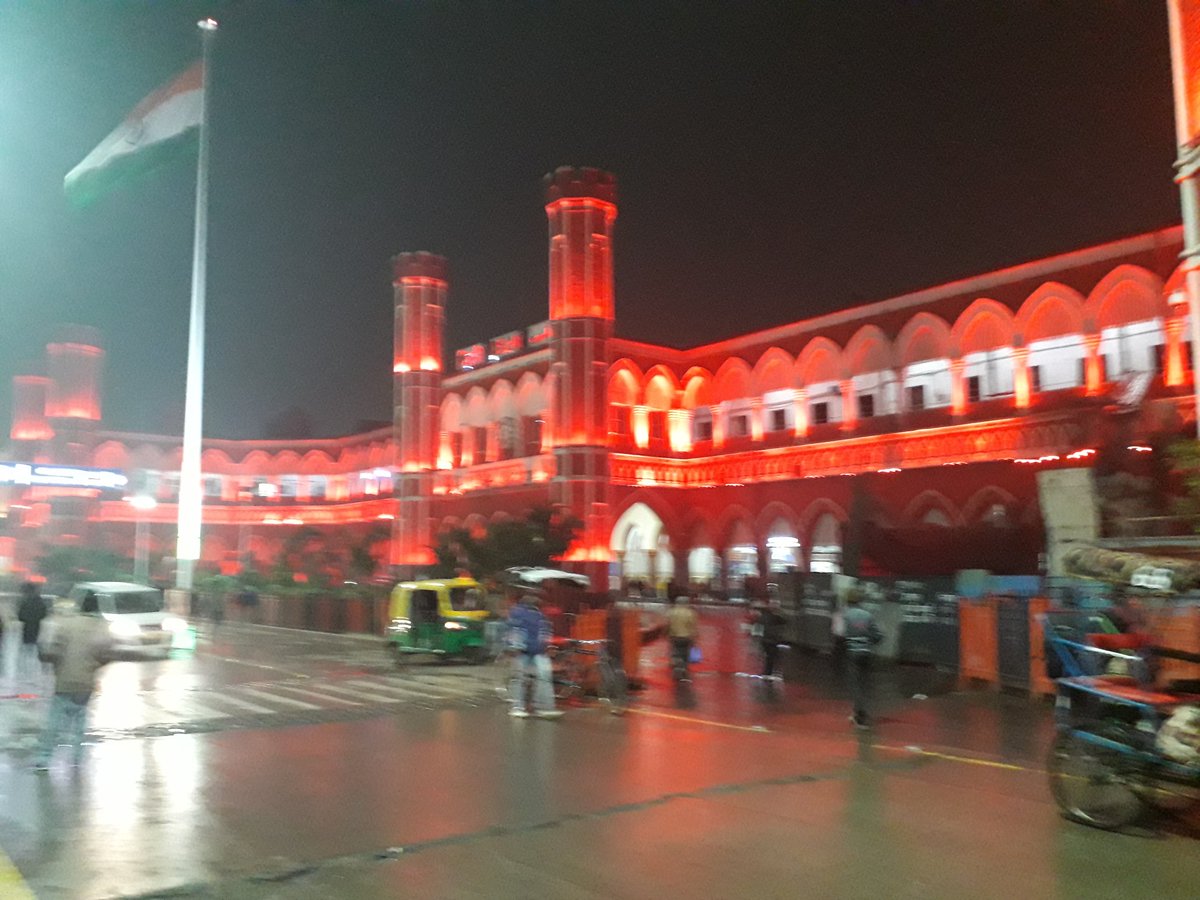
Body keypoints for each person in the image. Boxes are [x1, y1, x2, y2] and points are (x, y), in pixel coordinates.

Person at [34, 591, 114, 769]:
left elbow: (53, 651)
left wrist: (51, 663)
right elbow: (108, 653)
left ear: (81, 606)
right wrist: (93, 665)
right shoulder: (101, 627)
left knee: (53, 723)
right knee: (79, 721)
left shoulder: (68, 624)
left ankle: (44, 758)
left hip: (64, 681)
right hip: (85, 684)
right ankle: (77, 759)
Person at [506, 592, 562, 719]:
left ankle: (518, 707)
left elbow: (515, 630)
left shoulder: (518, 613)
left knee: (520, 678)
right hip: (537, 650)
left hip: (524, 650)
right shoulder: (540, 616)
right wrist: (546, 647)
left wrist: (515, 646)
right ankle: (544, 707)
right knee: (544, 678)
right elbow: (545, 632)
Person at [843, 591, 883, 729]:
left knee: (855, 686)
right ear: (859, 601)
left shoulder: (845, 615)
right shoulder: (868, 615)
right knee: (864, 685)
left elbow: (839, 634)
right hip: (866, 653)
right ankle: (857, 713)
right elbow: (878, 635)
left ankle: (860, 718)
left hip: (852, 653)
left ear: (848, 601)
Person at [17, 581, 49, 687]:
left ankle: (27, 676)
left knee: (27, 654)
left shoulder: (25, 602)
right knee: (36, 654)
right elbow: (45, 615)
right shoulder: (41, 602)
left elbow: (20, 617)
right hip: (39, 631)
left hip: (27, 632)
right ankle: (35, 676)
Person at [667, 596, 699, 681]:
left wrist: (665, 634)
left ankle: (676, 665)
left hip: (674, 636)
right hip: (686, 637)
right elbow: (693, 627)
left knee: (675, 650)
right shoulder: (690, 613)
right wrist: (695, 638)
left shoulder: (671, 612)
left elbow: (668, 624)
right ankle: (683, 669)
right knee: (685, 653)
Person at [755, 596, 786, 681]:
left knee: (770, 657)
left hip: (767, 640)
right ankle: (769, 673)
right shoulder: (773, 616)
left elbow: (758, 625)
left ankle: (767, 672)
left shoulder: (765, 615)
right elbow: (783, 621)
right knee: (772, 657)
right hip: (770, 640)